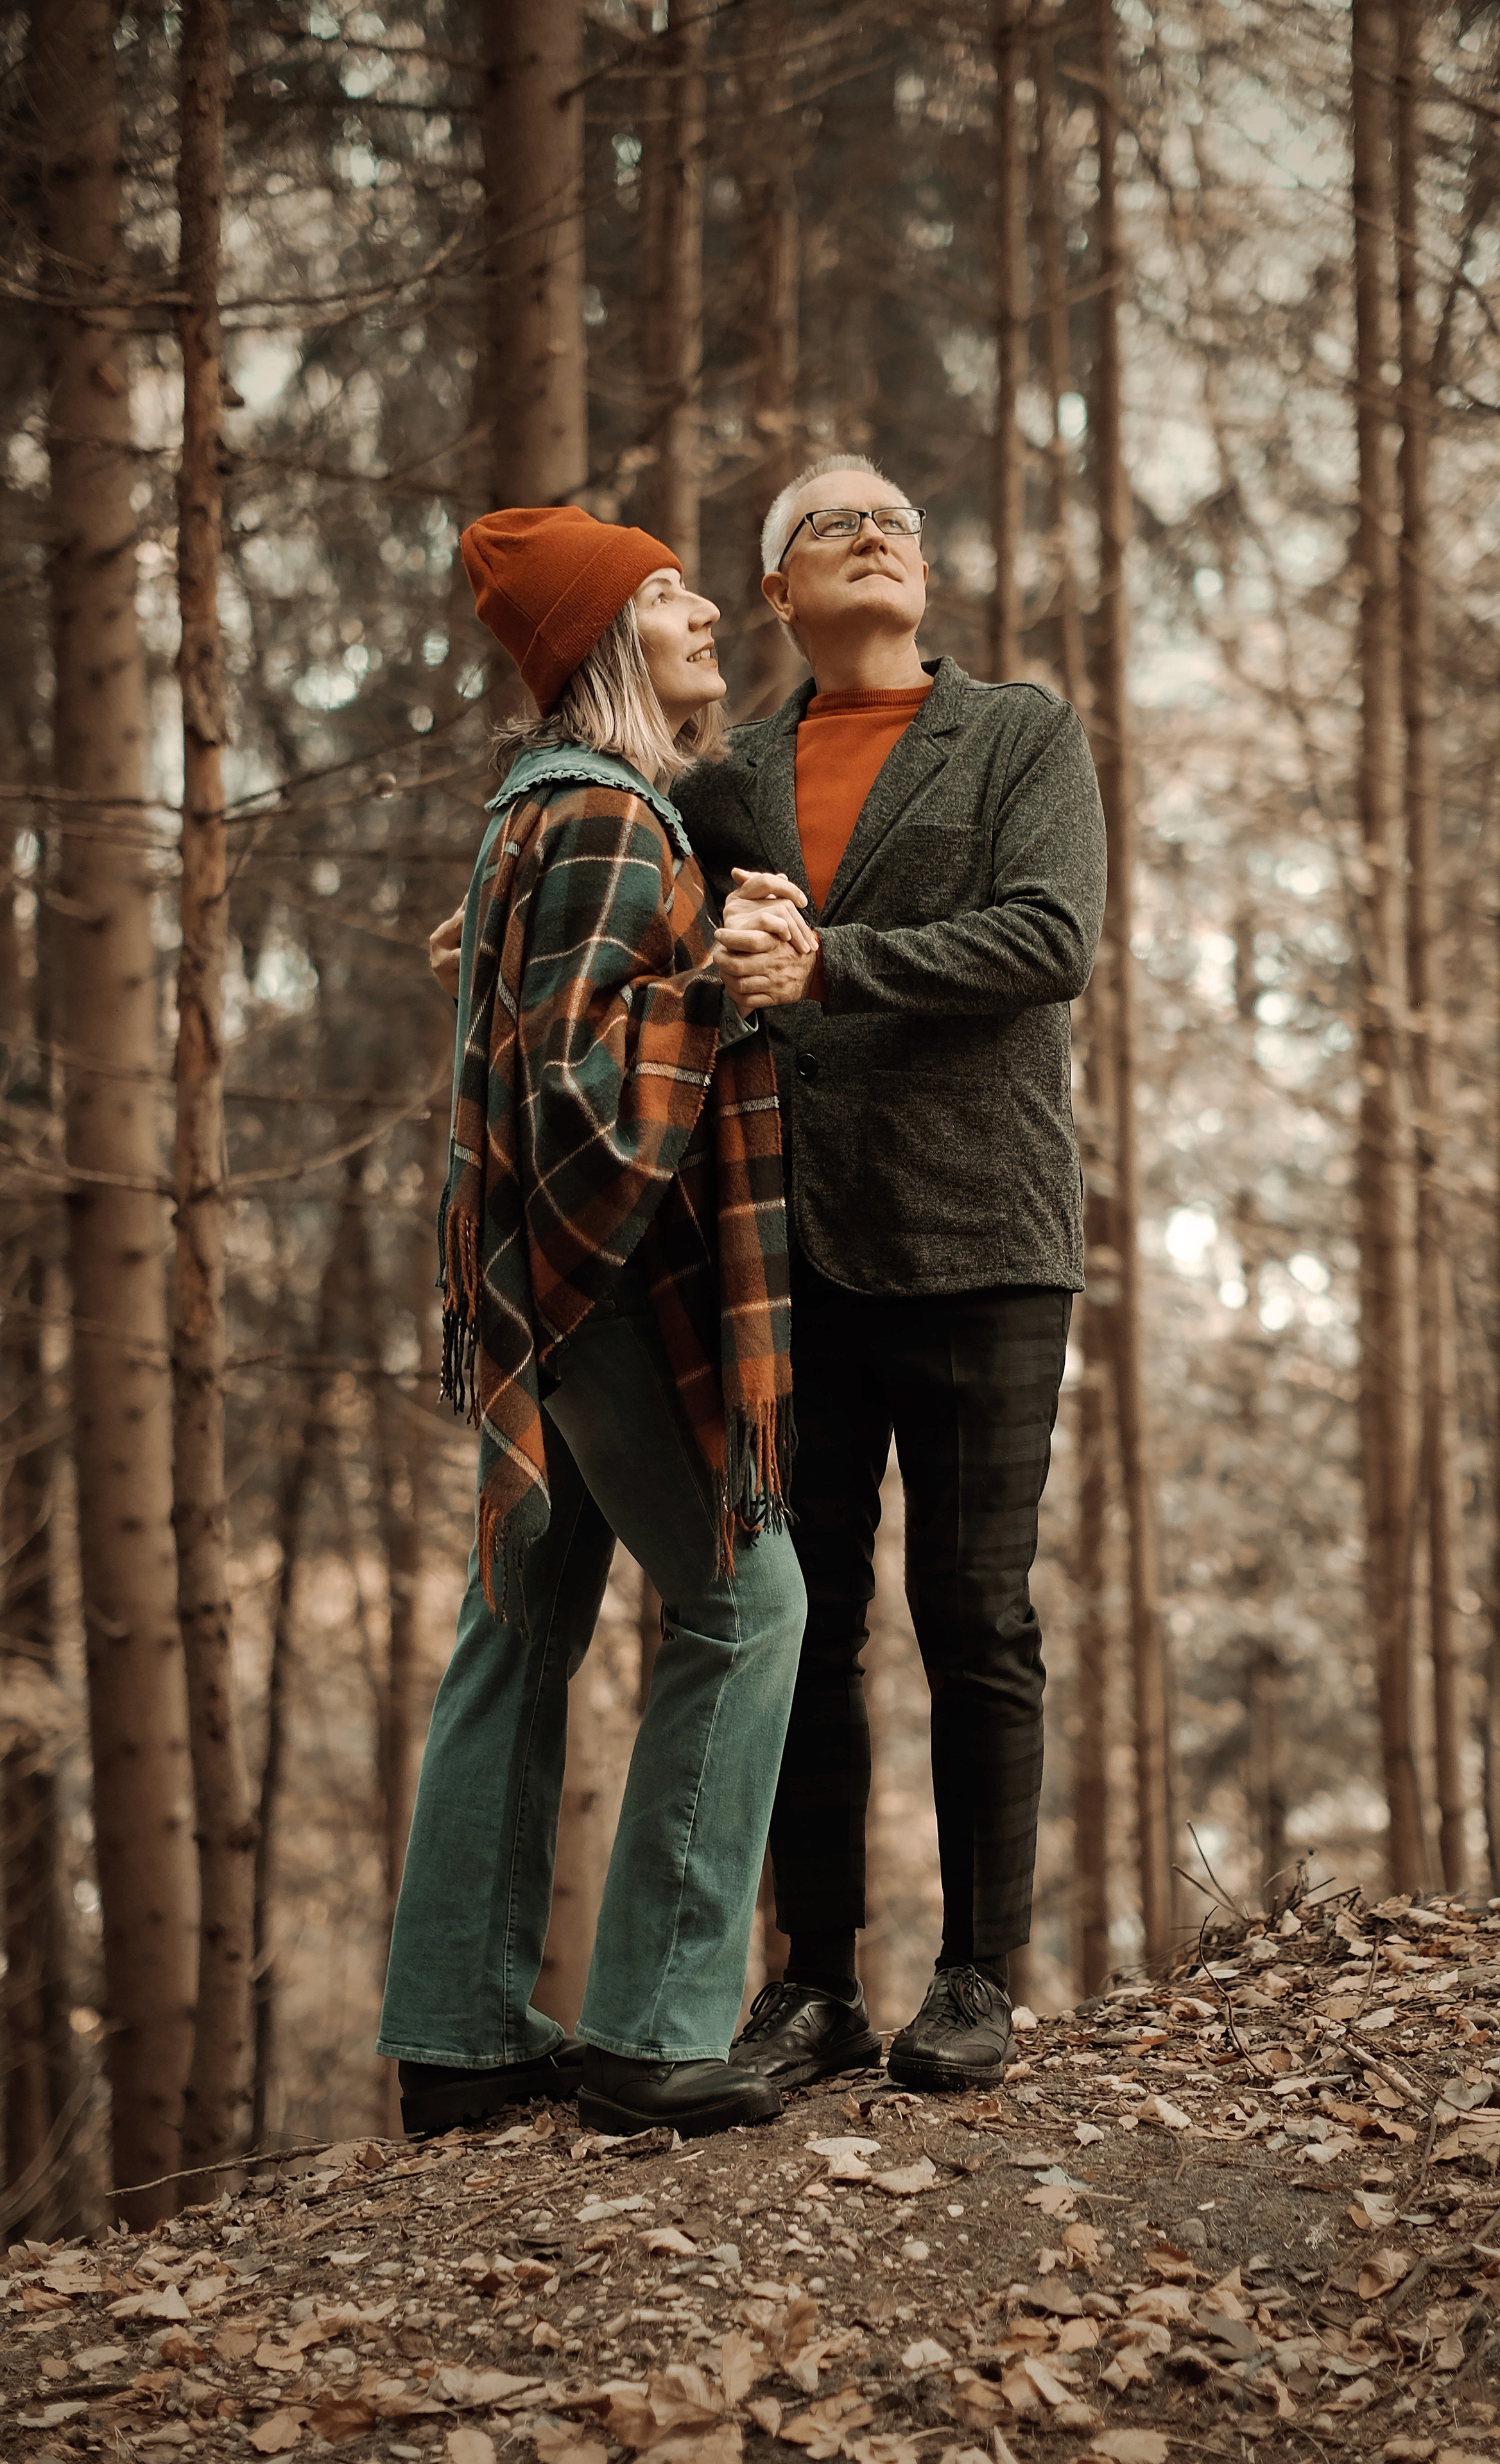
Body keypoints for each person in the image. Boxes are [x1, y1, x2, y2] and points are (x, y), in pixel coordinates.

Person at [382, 503, 817, 2143]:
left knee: (520, 1623)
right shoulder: (609, 820)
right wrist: (721, 973)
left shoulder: (537, 815)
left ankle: (461, 2033)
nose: (705, 608)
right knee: (745, 1608)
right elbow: (581, 1095)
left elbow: (540, 1032)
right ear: (599, 644)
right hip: (609, 1288)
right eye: (663, 595)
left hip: (535, 1297)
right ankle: (649, 2028)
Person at [676, 454, 1106, 2096]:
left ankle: (981, 1978)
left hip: (990, 1237)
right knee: (811, 1623)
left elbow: (1047, 940)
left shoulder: (1018, 735)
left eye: (899, 522)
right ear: (778, 593)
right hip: (796, 1256)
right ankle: (813, 1989)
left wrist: (826, 962)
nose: (877, 534)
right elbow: (656, 922)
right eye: (833, 525)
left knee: (974, 1614)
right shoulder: (734, 779)